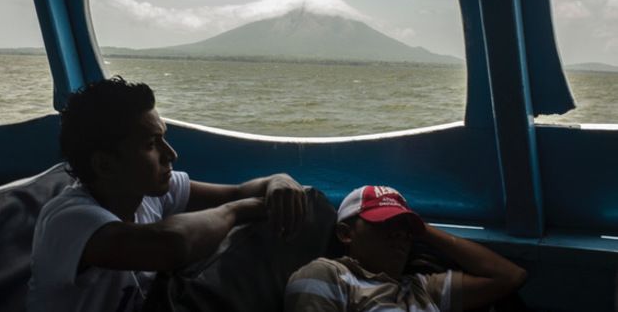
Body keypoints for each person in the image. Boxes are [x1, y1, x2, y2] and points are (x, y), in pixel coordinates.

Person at [26, 76, 306, 312]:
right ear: (105, 164)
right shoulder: (67, 219)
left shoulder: (150, 190)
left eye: (164, 138)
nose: (171, 154)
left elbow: (236, 192)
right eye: (151, 144)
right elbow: (171, 245)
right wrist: (237, 211)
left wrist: (277, 181)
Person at [285, 185, 527, 312]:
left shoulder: (421, 288)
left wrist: (423, 230)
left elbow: (510, 277)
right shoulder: (328, 276)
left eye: (404, 228)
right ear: (346, 234)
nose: (399, 234)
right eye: (384, 223)